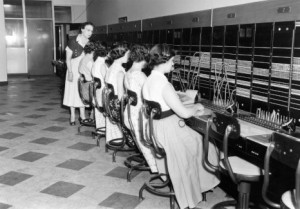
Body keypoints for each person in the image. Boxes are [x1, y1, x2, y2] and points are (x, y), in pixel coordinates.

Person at [142, 44, 220, 209]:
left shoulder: (149, 80)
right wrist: (197, 108)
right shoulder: (164, 85)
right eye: (171, 61)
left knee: (196, 140)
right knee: (205, 143)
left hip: (156, 129)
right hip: (169, 132)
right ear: (163, 61)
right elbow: (184, 113)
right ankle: (198, 187)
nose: (173, 64)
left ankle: (197, 185)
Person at [123, 44, 158, 173]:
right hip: (139, 117)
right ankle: (157, 167)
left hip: (130, 114)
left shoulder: (127, 73)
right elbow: (151, 94)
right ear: (143, 59)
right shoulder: (140, 75)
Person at [63, 22, 94, 126]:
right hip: (73, 69)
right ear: (82, 29)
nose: (90, 33)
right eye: (88, 30)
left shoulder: (90, 43)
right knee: (72, 91)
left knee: (83, 91)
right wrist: (70, 72)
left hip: (85, 70)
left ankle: (82, 115)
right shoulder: (73, 41)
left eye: (91, 31)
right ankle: (72, 116)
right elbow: (67, 59)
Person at [105, 44, 130, 143]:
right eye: (127, 55)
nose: (129, 57)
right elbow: (120, 96)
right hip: (116, 106)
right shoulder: (119, 71)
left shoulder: (111, 67)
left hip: (109, 104)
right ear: (121, 55)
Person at [91, 42, 108, 131]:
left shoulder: (95, 63)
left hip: (97, 92)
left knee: (98, 112)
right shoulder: (102, 64)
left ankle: (100, 128)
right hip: (102, 93)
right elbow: (107, 80)